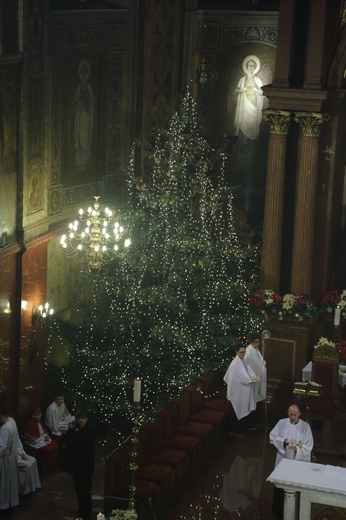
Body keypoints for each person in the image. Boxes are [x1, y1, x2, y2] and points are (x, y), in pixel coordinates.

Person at [269, 404, 314, 519]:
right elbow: (272, 437)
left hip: (298, 461)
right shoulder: (281, 423)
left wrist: (297, 449)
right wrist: (283, 442)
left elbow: (309, 446)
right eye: (290, 414)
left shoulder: (305, 427)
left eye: (294, 414)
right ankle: (279, 512)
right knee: (282, 484)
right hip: (283, 459)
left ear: (299, 414)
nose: (292, 417)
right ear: (287, 413)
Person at [65, 409, 97, 520]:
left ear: (86, 419)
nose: (80, 422)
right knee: (78, 490)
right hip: (76, 466)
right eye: (78, 421)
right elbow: (67, 439)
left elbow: (86, 446)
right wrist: (71, 430)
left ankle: (86, 513)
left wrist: (78, 434)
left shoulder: (91, 429)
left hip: (86, 466)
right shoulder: (76, 427)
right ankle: (81, 509)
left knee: (85, 490)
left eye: (81, 421)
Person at [223, 344, 260, 435]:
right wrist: (251, 379)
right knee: (237, 410)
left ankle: (242, 428)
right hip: (238, 392)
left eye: (244, 352)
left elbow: (248, 372)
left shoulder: (242, 360)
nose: (243, 354)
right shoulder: (235, 364)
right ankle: (236, 430)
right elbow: (240, 378)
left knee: (242, 409)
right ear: (236, 352)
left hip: (243, 391)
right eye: (241, 352)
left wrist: (253, 377)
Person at [233, 55, 264, 145]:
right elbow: (235, 91)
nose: (251, 67)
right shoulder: (243, 80)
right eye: (249, 66)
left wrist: (255, 90)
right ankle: (242, 148)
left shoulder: (257, 80)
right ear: (247, 67)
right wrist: (243, 90)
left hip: (254, 105)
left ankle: (251, 149)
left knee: (252, 127)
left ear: (255, 67)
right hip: (244, 106)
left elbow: (262, 92)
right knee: (243, 124)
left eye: (252, 66)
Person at [7, 417, 41, 496]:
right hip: (12, 457)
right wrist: (19, 455)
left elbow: (17, 442)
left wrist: (21, 453)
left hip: (19, 453)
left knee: (33, 460)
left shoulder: (12, 426)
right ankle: (26, 490)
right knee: (27, 466)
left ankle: (35, 485)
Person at [21, 407, 58, 473]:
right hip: (34, 442)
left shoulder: (40, 422)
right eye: (35, 415)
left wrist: (46, 436)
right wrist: (42, 439)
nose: (37, 417)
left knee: (55, 444)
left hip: (41, 440)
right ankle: (45, 467)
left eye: (39, 415)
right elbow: (30, 438)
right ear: (33, 415)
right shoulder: (31, 423)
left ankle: (51, 466)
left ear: (41, 414)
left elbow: (43, 432)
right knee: (50, 449)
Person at [74, 59, 94, 171]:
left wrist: (86, 96)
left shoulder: (89, 86)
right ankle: (79, 164)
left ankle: (85, 163)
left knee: (85, 139)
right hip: (80, 116)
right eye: (83, 71)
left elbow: (92, 99)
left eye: (86, 71)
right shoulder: (79, 86)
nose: (85, 73)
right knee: (79, 141)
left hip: (86, 117)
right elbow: (75, 99)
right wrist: (80, 97)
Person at [244, 332, 267, 427]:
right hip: (253, 380)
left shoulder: (255, 349)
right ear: (251, 342)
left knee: (256, 401)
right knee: (252, 401)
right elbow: (254, 366)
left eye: (258, 342)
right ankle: (251, 423)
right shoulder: (249, 352)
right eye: (256, 342)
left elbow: (260, 362)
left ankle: (256, 421)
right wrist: (262, 366)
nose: (258, 344)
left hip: (257, 380)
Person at [0, 404, 19, 513]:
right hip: (11, 458)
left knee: (4, 485)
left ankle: (3, 505)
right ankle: (11, 503)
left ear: (5, 415)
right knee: (9, 484)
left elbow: (1, 447)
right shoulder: (11, 420)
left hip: (5, 460)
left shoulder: (5, 428)